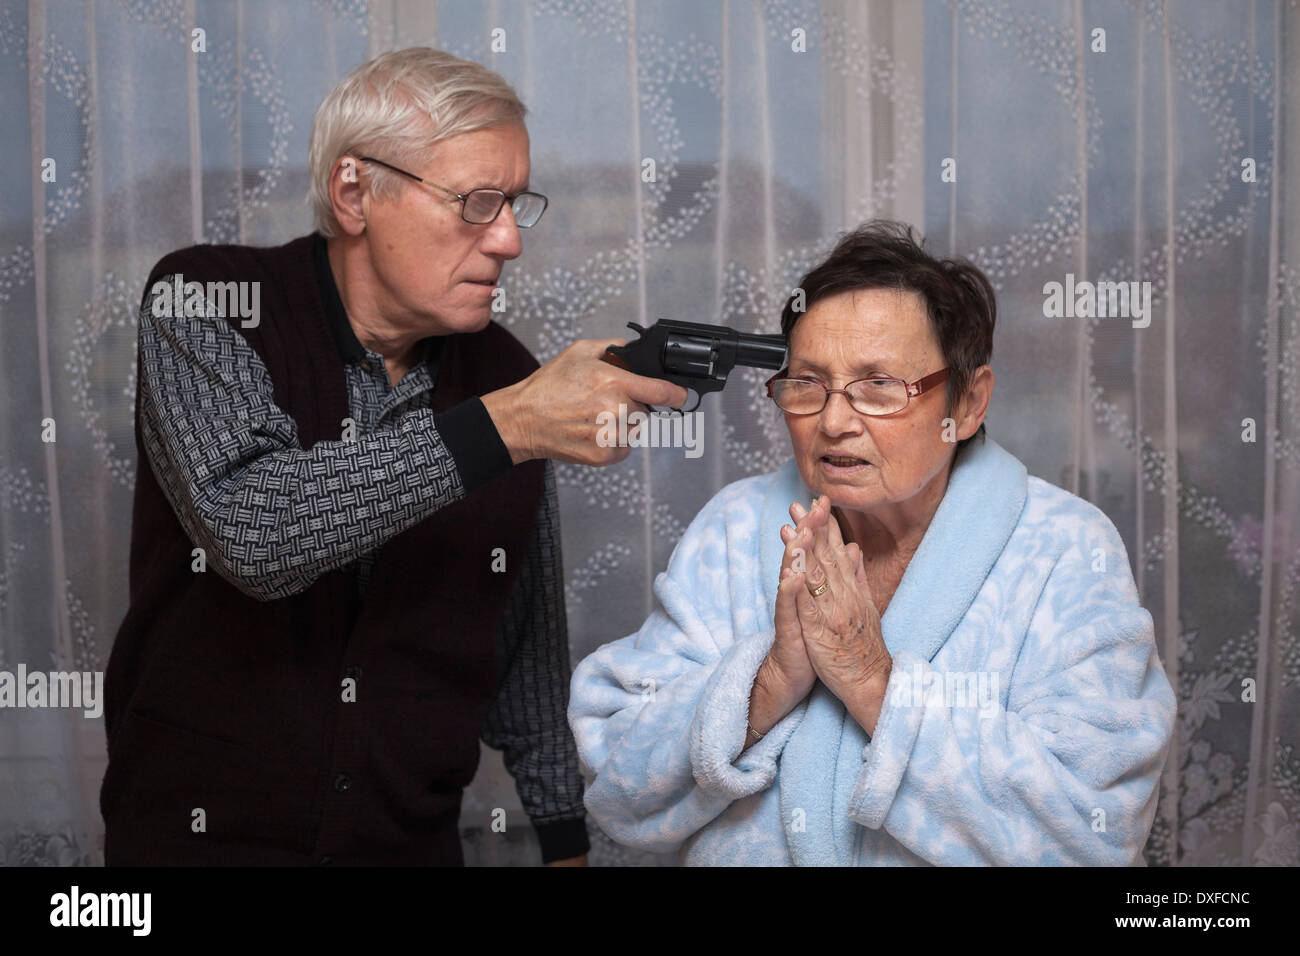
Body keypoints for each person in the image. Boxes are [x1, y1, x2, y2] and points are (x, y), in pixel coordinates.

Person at [100, 47, 685, 866]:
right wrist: (508, 426)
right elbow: (253, 531)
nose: (510, 240)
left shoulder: (508, 375)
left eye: (516, 203)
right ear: (354, 194)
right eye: (477, 203)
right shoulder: (202, 301)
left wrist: (563, 837)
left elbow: (523, 644)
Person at [568, 220, 1177, 865]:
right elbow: (616, 780)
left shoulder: (1063, 549)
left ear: (968, 403)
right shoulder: (735, 528)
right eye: (806, 384)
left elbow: (1095, 825)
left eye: (878, 387)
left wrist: (872, 681)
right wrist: (768, 681)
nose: (833, 421)